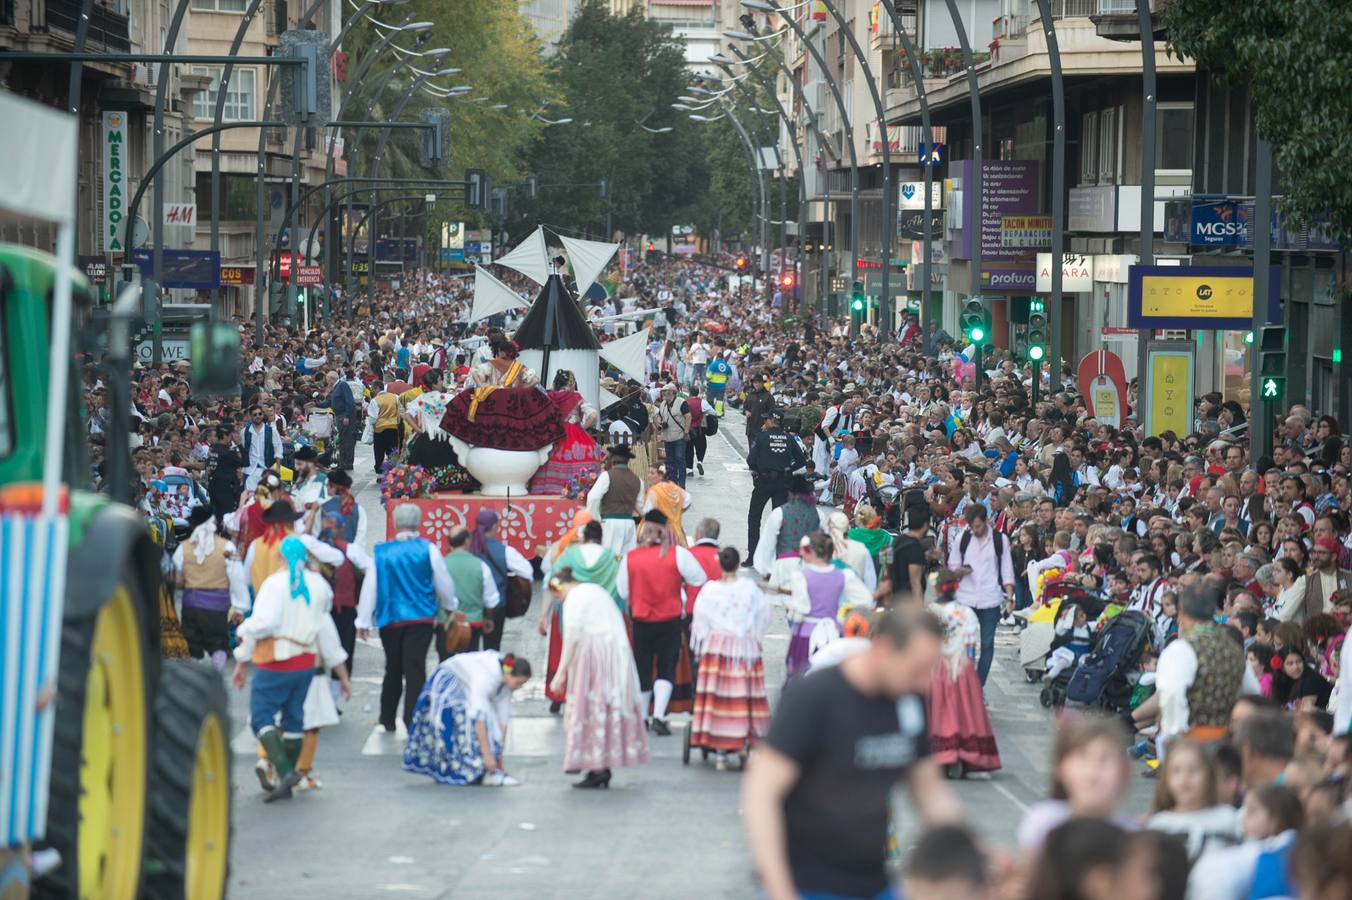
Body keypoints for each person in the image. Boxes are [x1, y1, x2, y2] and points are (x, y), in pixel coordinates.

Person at [741, 606, 961, 900]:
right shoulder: (813, 697)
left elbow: (929, 791)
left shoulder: (910, 701)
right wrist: (781, 890)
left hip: (873, 881)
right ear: (883, 649)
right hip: (806, 882)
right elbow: (761, 794)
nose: (924, 682)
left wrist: (970, 847)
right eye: (917, 668)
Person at [231, 535, 351, 802]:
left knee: (262, 717)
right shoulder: (319, 586)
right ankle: (289, 778)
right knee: (294, 718)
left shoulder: (274, 584)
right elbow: (325, 630)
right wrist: (342, 674)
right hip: (306, 663)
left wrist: (243, 637)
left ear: (281, 557)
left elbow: (264, 624)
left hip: (276, 661)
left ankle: (284, 772)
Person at [356, 503, 459, 733]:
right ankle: (412, 717)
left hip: (390, 618)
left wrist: (363, 621)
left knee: (392, 667)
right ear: (418, 523)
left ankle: (387, 716)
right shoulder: (428, 549)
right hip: (421, 617)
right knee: (415, 667)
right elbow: (443, 581)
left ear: (395, 523)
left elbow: (370, 587)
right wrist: (450, 605)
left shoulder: (381, 553)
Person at [549, 571, 650, 788]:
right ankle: (602, 764)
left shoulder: (574, 599)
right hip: (617, 653)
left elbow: (572, 638)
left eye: (558, 595)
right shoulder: (596, 591)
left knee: (590, 708)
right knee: (606, 708)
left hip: (595, 653)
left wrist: (561, 673)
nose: (560, 599)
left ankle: (597, 765)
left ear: (563, 586)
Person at [616, 511, 709, 735]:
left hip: (640, 620)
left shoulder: (631, 558)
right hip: (670, 620)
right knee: (667, 667)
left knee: (643, 667)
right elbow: (700, 578)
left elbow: (622, 591)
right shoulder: (678, 555)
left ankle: (643, 717)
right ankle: (658, 715)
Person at [689, 546, 771, 770]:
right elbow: (763, 615)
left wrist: (702, 641)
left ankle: (720, 751)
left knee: (719, 694)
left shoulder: (710, 589)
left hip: (717, 645)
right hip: (743, 647)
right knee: (743, 694)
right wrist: (754, 634)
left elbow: (700, 619)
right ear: (737, 565)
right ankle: (743, 740)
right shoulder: (750, 588)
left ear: (720, 564)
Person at [403, 651, 532, 786]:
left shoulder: (505, 682)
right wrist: (488, 756)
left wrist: (500, 761)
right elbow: (478, 718)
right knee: (462, 724)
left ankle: (487, 770)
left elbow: (503, 721)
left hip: (465, 682)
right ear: (509, 674)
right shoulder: (486, 677)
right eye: (518, 683)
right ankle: (461, 769)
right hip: (450, 679)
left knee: (489, 725)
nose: (519, 687)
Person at [1017, 717, 1136, 852]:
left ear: (1125, 771)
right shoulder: (1042, 824)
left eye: (1105, 758)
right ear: (1061, 767)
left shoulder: (1132, 837)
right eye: (1082, 757)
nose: (1093, 770)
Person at [1156, 583, 1251, 748]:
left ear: (1182, 612)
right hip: (1226, 740)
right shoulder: (1232, 648)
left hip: (1191, 742)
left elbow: (1171, 695)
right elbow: (1251, 693)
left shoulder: (1181, 648)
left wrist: (1173, 737)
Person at [926, 569, 1001, 777]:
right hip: (961, 666)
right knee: (963, 711)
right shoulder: (967, 613)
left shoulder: (930, 612)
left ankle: (939, 753)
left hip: (937, 668)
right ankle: (963, 752)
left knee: (939, 712)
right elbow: (971, 645)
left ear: (937, 588)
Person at [784, 532, 874, 679]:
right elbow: (866, 599)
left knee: (802, 675)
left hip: (807, 633)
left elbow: (802, 608)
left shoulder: (801, 576)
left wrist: (791, 608)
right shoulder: (843, 575)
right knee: (832, 676)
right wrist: (842, 615)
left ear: (812, 551)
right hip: (834, 632)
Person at [946, 504, 1015, 686]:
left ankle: (978, 686)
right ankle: (963, 684)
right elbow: (952, 566)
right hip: (965, 597)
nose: (974, 530)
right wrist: (959, 571)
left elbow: (1007, 570)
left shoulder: (1000, 540)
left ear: (986, 521)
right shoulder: (963, 539)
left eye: (978, 526)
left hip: (991, 598)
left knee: (986, 644)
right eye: (972, 526)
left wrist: (1010, 597)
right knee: (962, 644)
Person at [1146, 739, 1241, 861]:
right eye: (1176, 770)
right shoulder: (1159, 825)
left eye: (1194, 770)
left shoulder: (1228, 818)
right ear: (1166, 779)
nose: (1185, 776)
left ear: (1209, 775)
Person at [172, 505, 235, 671]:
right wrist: (240, 607)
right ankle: (217, 675)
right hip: (218, 608)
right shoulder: (227, 547)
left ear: (193, 526)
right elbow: (236, 579)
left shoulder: (183, 548)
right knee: (218, 644)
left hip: (191, 607)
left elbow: (177, 580)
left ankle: (196, 680)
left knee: (192, 646)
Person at [746, 407, 807, 564]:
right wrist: (788, 469)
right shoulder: (789, 438)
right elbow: (801, 460)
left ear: (772, 421)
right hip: (783, 482)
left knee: (754, 517)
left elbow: (750, 460)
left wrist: (759, 470)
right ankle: (779, 556)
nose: (764, 421)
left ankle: (752, 556)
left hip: (764, 481)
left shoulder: (761, 437)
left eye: (766, 419)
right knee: (780, 519)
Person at [469, 508, 534, 652]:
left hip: (470, 605)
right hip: (496, 606)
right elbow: (527, 571)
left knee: (469, 651)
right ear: (494, 527)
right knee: (492, 649)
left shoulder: (467, 549)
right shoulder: (504, 551)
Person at [529, 369, 600, 496]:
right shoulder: (576, 397)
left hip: (553, 434)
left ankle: (550, 487)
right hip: (574, 434)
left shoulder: (549, 396)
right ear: (572, 383)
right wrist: (582, 428)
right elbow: (593, 416)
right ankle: (576, 490)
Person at [440, 525, 501, 657]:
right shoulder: (480, 565)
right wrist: (488, 618)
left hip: (446, 623)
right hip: (472, 623)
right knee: (470, 663)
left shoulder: (441, 564)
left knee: (447, 663)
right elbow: (491, 599)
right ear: (467, 541)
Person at [752, 474, 822, 589]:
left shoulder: (779, 513)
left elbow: (767, 543)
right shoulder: (818, 514)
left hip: (785, 565)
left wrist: (765, 570)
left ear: (790, 493)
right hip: (810, 565)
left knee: (787, 601)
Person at [585, 445, 644, 556]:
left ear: (612, 459)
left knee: (608, 558)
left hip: (609, 523)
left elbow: (593, 498)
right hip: (629, 524)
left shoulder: (606, 476)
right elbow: (639, 504)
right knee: (626, 559)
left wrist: (595, 518)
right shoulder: (638, 480)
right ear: (627, 461)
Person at [402, 368, 459, 469]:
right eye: (440, 380)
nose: (442, 382)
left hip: (426, 438)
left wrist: (418, 430)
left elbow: (407, 415)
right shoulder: (446, 398)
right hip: (445, 438)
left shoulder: (421, 399)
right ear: (434, 384)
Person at [644, 463, 693, 546]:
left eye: (652, 473)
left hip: (660, 532)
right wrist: (678, 511)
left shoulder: (654, 491)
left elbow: (647, 512)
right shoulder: (674, 487)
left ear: (661, 476)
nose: (649, 476)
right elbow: (688, 499)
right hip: (676, 532)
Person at [654, 382, 691, 487]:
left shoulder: (681, 402)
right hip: (667, 438)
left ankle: (682, 485)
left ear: (672, 392)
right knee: (670, 462)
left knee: (680, 459)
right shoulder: (663, 404)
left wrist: (686, 431)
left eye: (665, 391)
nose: (663, 393)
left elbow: (688, 416)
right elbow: (659, 416)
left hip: (679, 437)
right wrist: (659, 423)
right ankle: (673, 484)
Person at [241, 404, 284, 492]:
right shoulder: (244, 432)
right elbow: (241, 450)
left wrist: (278, 469)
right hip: (250, 470)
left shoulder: (272, 431)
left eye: (260, 414)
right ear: (250, 416)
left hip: (267, 468)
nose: (258, 416)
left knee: (267, 496)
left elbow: (278, 450)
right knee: (250, 497)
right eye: (255, 414)